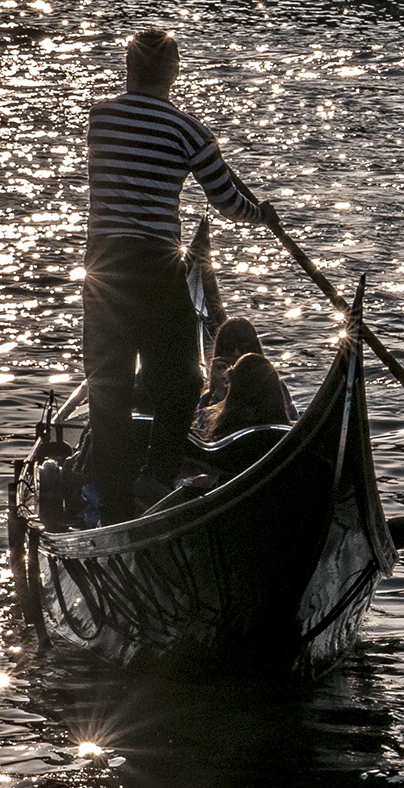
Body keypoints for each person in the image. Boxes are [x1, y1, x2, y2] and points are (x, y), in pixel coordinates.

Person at [82, 29, 280, 524]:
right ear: (174, 71)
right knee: (185, 381)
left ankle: (111, 502)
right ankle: (156, 474)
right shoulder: (188, 131)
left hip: (104, 265)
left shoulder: (100, 118)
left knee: (109, 387)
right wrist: (263, 215)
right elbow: (227, 202)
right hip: (155, 265)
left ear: (129, 68)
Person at [194, 316, 299, 428]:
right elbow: (207, 432)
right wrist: (219, 393)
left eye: (244, 348)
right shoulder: (208, 399)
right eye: (229, 348)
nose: (237, 354)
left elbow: (293, 425)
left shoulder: (276, 387)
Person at [201, 354, 294, 440]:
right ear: (276, 389)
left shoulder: (220, 436)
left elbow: (204, 427)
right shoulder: (291, 434)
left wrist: (219, 392)